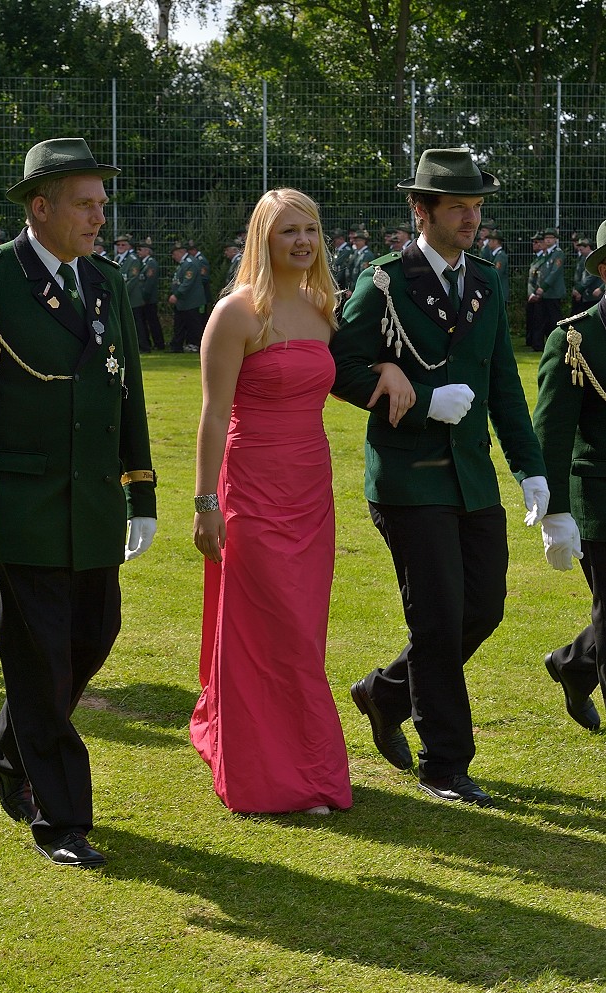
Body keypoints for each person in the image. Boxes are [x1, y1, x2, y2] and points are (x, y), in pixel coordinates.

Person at [0, 137, 157, 867]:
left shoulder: (105, 281)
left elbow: (126, 389)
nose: (100, 217)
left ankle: (4, 747)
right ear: (40, 207)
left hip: (92, 500)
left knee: (93, 636)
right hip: (23, 502)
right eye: (85, 204)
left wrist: (141, 491)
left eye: (103, 203)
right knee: (42, 667)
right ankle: (61, 819)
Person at [331, 147, 549, 807]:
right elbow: (338, 366)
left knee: (482, 608)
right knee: (438, 620)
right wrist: (418, 397)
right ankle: (444, 763)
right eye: (457, 207)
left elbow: (502, 381)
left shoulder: (485, 278)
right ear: (420, 210)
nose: (471, 219)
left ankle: (384, 693)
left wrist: (530, 468)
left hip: (470, 477)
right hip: (408, 478)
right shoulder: (385, 281)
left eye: (476, 207)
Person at [190, 188, 374, 815]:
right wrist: (204, 502)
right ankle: (268, 774)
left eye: (311, 230)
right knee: (267, 627)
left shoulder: (325, 309)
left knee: (303, 627)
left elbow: (348, 373)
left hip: (310, 490)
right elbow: (212, 417)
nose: (303, 241)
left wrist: (390, 373)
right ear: (263, 240)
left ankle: (303, 764)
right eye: (288, 231)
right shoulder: (236, 313)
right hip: (251, 489)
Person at [533, 219, 606, 734]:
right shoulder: (576, 340)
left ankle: (575, 664)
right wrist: (554, 512)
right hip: (600, 498)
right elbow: (551, 435)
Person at [169, 241, 204, 353]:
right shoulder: (184, 263)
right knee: (180, 323)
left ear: (181, 252)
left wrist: (177, 295)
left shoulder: (190, 263)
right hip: (184, 302)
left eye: (174, 254)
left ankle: (196, 344)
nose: (173, 257)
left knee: (193, 323)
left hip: (191, 301)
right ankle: (177, 346)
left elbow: (187, 282)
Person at [134, 238, 166, 351]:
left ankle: (159, 343)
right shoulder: (143, 263)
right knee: (145, 322)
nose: (138, 251)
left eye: (140, 249)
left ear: (147, 251)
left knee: (152, 322)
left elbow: (149, 283)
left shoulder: (151, 263)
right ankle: (148, 342)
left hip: (149, 299)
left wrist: (144, 298)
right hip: (144, 298)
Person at [572, 237, 604, 308]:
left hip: (594, 293)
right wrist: (577, 288)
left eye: (581, 249)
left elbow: (591, 276)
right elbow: (579, 275)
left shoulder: (595, 258)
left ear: (588, 247)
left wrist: (580, 288)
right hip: (586, 294)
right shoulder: (582, 258)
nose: (580, 251)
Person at [489, 228, 509, 303]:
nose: (488, 243)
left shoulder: (501, 256)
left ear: (495, 241)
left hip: (500, 293)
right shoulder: (496, 255)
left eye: (490, 241)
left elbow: (497, 274)